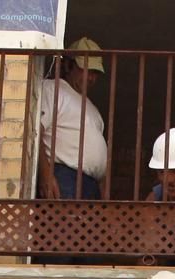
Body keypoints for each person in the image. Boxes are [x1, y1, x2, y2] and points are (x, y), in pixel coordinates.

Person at [39, 37, 107, 200]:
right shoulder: (52, 88)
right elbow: (35, 134)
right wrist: (45, 174)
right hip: (64, 178)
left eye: (95, 73)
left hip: (91, 185)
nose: (91, 78)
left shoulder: (94, 109)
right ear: (69, 65)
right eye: (86, 70)